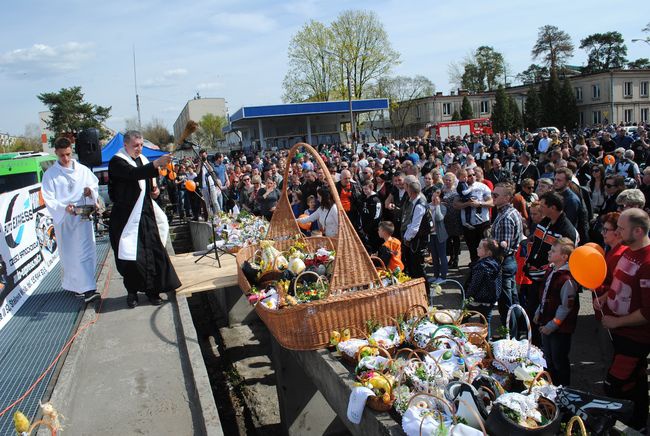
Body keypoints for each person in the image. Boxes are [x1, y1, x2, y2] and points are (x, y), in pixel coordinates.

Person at [108, 130, 181, 308]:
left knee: (152, 253)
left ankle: (153, 291)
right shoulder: (117, 161)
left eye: (141, 145)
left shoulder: (144, 160)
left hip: (145, 214)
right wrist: (157, 163)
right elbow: (134, 174)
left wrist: (155, 191)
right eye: (135, 146)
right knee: (131, 258)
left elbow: (148, 185)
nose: (139, 149)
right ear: (125, 145)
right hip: (126, 218)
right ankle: (132, 293)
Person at [594, 208, 650, 431]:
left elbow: (648, 312)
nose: (617, 231)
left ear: (637, 231)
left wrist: (617, 322)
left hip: (634, 337)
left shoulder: (647, 263)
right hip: (617, 332)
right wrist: (606, 298)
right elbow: (619, 282)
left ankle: (633, 425)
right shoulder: (627, 251)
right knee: (633, 383)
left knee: (616, 384)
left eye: (621, 228)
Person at [41, 137, 100, 303]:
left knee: (86, 251)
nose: (65, 159)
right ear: (56, 154)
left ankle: (88, 287)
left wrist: (90, 192)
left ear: (71, 151)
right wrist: (62, 207)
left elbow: (93, 186)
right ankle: (76, 286)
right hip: (66, 221)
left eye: (67, 154)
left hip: (83, 217)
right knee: (70, 254)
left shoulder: (82, 170)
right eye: (61, 156)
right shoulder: (50, 175)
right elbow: (49, 199)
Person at [534, 237, 579, 386]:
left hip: (559, 329)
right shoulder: (551, 270)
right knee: (548, 358)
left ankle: (563, 389)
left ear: (564, 257)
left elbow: (566, 307)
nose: (549, 252)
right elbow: (544, 294)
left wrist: (553, 325)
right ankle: (552, 387)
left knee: (559, 360)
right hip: (546, 322)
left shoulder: (567, 279)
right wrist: (538, 312)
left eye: (553, 251)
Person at [491, 182, 524, 335]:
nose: (492, 197)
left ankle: (511, 336)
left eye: (496, 195)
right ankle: (516, 332)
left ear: (507, 198)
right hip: (510, 262)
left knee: (506, 303)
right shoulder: (512, 212)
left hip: (504, 263)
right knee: (513, 300)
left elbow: (502, 250)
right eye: (493, 194)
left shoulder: (505, 217)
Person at [465, 238, 503, 338]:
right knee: (486, 322)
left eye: (480, 247)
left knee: (462, 317)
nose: (477, 248)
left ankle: (463, 339)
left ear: (488, 252)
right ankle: (487, 343)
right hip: (490, 300)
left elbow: (474, 285)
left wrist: (467, 296)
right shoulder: (496, 263)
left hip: (477, 300)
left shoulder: (481, 266)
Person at [454, 168, 493, 263]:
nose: (472, 177)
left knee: (485, 249)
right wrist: (467, 204)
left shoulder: (482, 186)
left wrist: (479, 204)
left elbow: (491, 203)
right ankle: (474, 270)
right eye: (469, 175)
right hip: (468, 225)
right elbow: (455, 204)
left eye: (473, 174)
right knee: (472, 250)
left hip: (482, 223)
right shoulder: (461, 187)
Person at [401, 177, 431, 282]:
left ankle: (425, 292)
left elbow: (414, 227)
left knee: (418, 268)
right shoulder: (415, 202)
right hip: (416, 239)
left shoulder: (419, 205)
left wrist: (407, 239)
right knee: (413, 267)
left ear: (411, 192)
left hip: (418, 240)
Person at [428, 186, 448, 284]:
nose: (435, 196)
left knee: (442, 255)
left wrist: (437, 206)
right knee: (434, 256)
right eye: (434, 193)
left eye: (437, 194)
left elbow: (439, 218)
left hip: (440, 235)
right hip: (431, 235)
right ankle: (436, 275)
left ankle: (443, 276)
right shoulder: (427, 206)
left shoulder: (443, 207)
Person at [360, 180, 382, 253]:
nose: (364, 191)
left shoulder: (376, 200)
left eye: (366, 189)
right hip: (365, 227)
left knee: (373, 246)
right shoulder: (365, 198)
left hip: (373, 229)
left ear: (371, 188)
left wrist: (369, 227)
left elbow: (377, 216)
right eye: (363, 189)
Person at [197, 149, 221, 218]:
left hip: (211, 185)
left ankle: (219, 216)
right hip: (204, 186)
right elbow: (197, 172)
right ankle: (211, 217)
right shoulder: (199, 164)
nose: (203, 157)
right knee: (207, 203)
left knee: (215, 202)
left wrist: (206, 162)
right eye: (201, 156)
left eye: (204, 155)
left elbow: (211, 170)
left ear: (206, 155)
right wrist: (200, 162)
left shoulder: (210, 163)